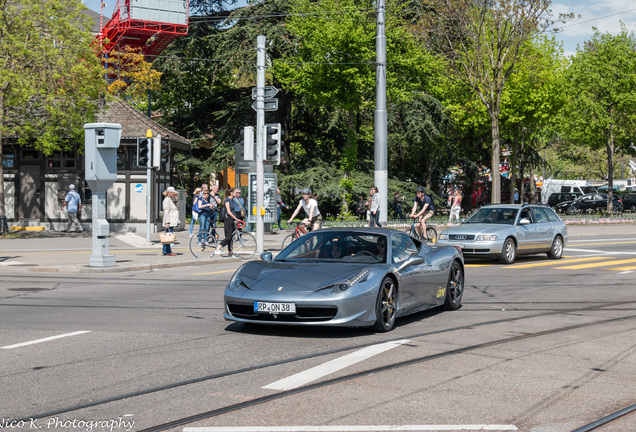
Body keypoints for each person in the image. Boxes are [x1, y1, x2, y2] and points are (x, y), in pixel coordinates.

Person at [216, 188, 242, 257]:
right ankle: (218, 248)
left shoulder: (232, 200)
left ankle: (230, 252)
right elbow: (229, 212)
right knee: (228, 237)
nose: (236, 193)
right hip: (228, 220)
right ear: (231, 193)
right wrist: (236, 218)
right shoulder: (227, 200)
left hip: (232, 219)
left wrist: (235, 219)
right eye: (235, 192)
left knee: (231, 237)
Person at [162, 186, 179, 256]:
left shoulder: (170, 200)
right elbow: (166, 212)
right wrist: (167, 222)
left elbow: (176, 208)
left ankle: (166, 251)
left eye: (174, 193)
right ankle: (167, 251)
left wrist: (176, 200)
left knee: (168, 237)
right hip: (169, 221)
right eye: (172, 192)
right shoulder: (167, 200)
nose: (173, 194)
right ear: (168, 193)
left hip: (171, 221)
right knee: (168, 237)